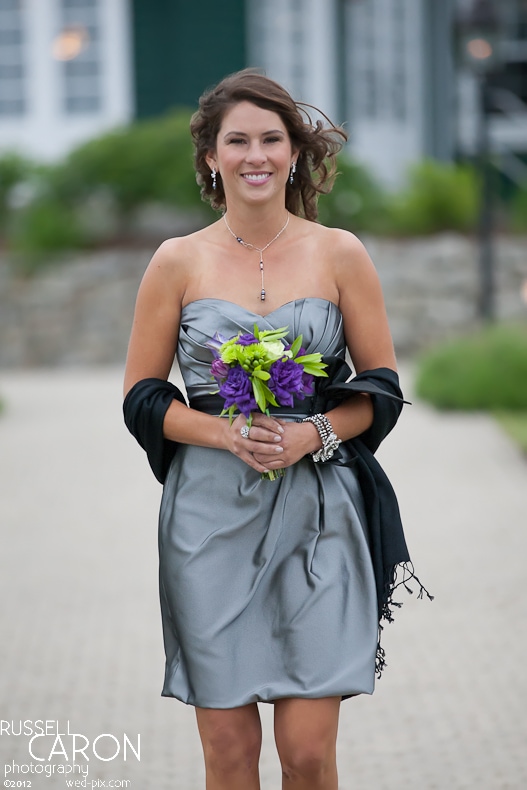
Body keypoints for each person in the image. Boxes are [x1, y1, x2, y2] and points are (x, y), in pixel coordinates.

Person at [123, 69, 422, 790]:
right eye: (237, 141)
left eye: (270, 139)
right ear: (210, 157)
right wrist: (224, 435)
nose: (254, 155)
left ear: (293, 154)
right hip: (208, 519)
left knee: (307, 754)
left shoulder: (339, 252)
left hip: (319, 514)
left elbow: (379, 390)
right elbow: (141, 395)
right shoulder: (176, 261)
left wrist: (311, 432)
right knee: (227, 752)